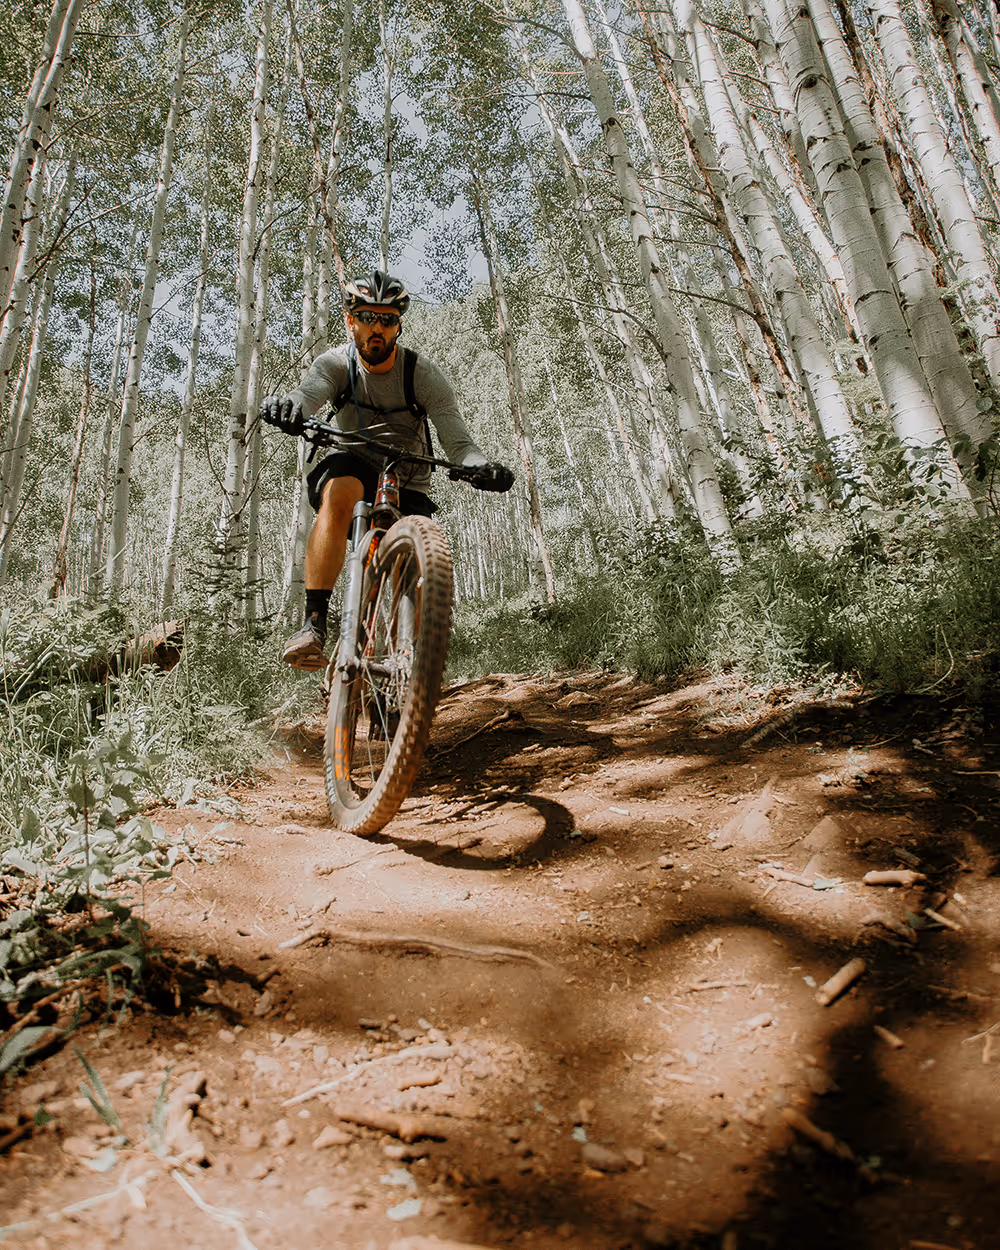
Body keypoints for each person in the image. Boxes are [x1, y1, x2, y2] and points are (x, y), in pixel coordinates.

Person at [260, 268, 514, 669]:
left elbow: (461, 444)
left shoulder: (422, 375)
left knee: (419, 556)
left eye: (387, 319)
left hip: (409, 476)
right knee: (340, 490)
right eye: (367, 317)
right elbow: (307, 394)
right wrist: (290, 407)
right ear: (351, 321)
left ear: (398, 326)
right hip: (354, 463)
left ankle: (411, 658)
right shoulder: (335, 364)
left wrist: (483, 468)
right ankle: (314, 623)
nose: (376, 328)